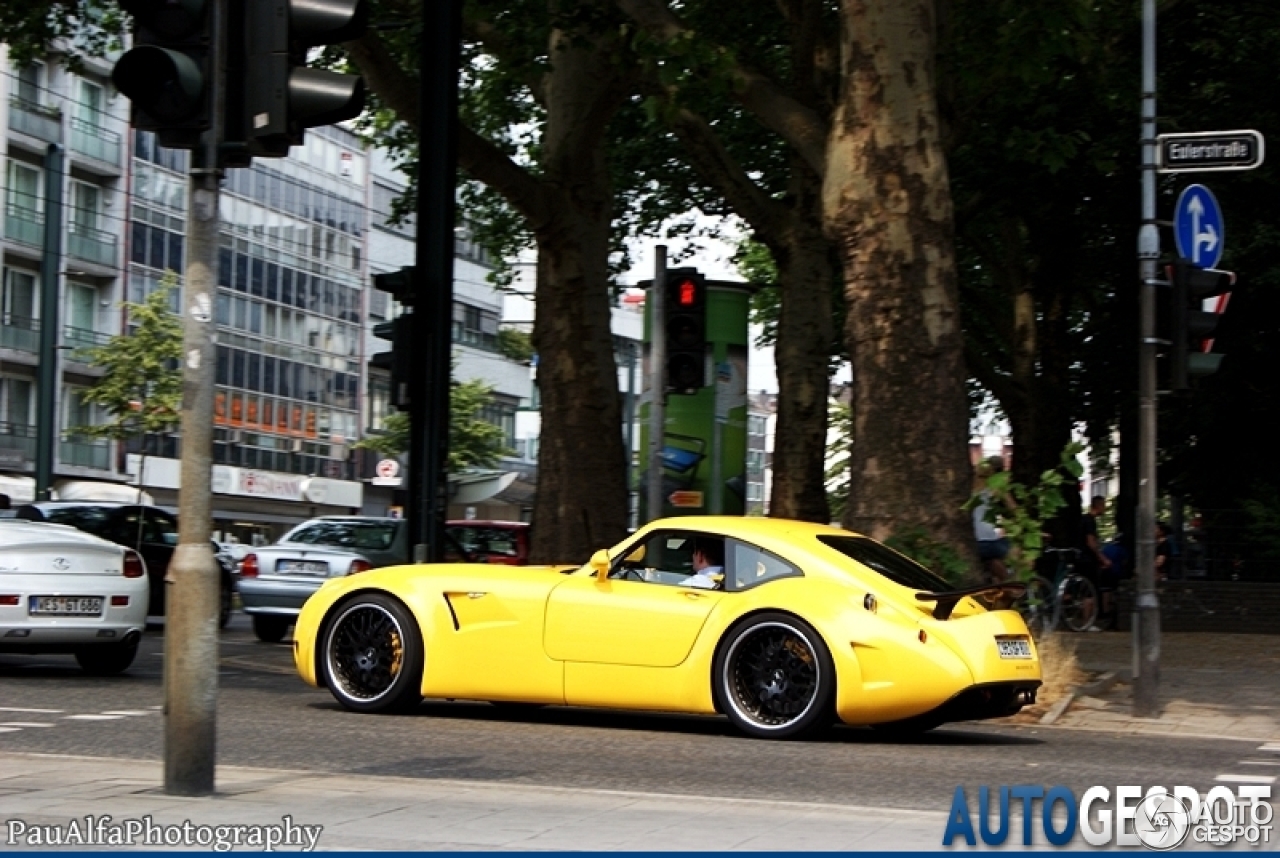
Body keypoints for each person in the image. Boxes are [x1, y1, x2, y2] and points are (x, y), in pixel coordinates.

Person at [972, 457, 1011, 581]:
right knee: (1020, 556)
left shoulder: (968, 485)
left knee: (994, 562)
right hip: (989, 540)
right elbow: (1014, 509)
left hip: (975, 539)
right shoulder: (996, 487)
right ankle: (1013, 588)